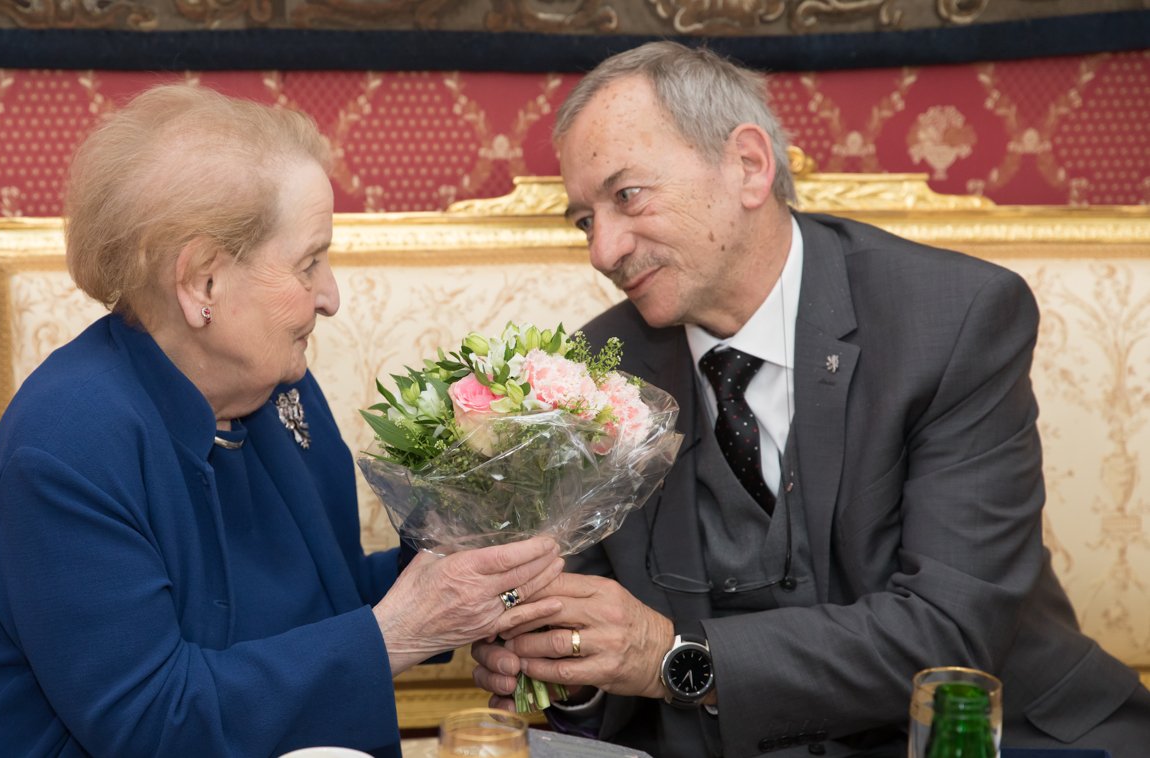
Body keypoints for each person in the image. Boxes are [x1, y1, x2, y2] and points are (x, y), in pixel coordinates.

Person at [472, 41, 1150, 756]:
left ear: (749, 166)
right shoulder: (589, 374)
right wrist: (568, 669)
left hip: (981, 735)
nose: (603, 251)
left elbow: (951, 635)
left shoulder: (955, 319)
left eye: (627, 196)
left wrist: (670, 656)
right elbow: (596, 661)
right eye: (584, 219)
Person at [0, 84, 564, 758]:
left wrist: (465, 548)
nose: (332, 296)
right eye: (309, 262)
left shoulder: (277, 391)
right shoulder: (68, 445)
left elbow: (326, 600)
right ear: (201, 282)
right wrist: (402, 630)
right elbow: (151, 720)